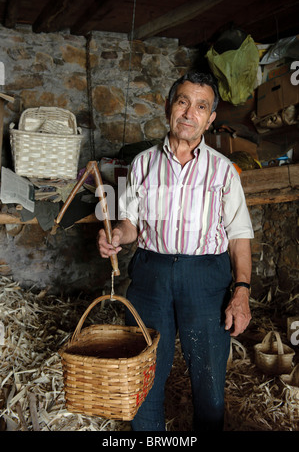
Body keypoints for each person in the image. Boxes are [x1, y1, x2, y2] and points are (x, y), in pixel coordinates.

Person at [98, 71, 254, 432]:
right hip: (151, 276)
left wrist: (242, 291)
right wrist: (116, 236)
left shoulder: (223, 171)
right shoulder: (142, 164)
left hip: (206, 280)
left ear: (211, 117)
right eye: (182, 101)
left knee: (209, 378)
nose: (189, 112)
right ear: (168, 107)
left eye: (201, 106)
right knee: (145, 373)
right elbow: (130, 223)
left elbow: (239, 236)